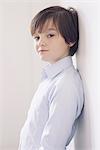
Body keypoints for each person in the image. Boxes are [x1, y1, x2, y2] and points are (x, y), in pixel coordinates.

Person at [19, 5, 84, 150]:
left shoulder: (66, 84)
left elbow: (52, 145)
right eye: (37, 37)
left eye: (50, 35)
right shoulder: (50, 79)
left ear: (70, 39)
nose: (40, 43)